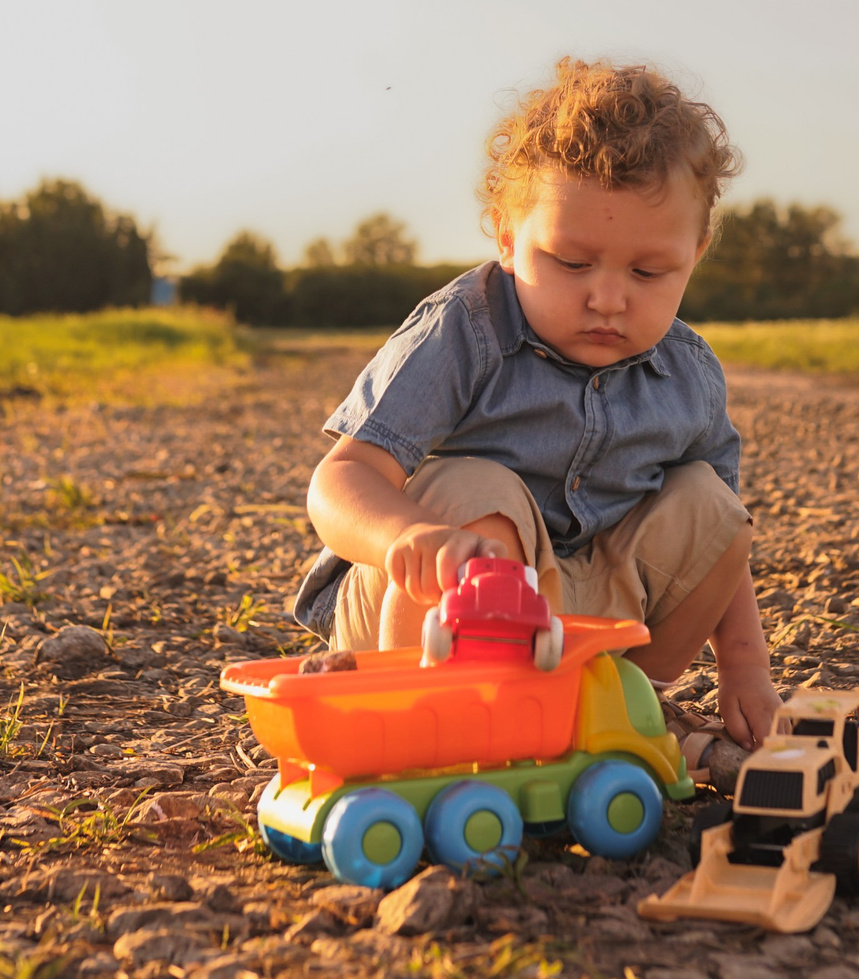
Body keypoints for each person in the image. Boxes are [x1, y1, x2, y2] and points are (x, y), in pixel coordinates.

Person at [291, 57, 778, 750]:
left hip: (575, 619)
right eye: (572, 263)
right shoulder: (466, 328)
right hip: (429, 606)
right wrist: (406, 537)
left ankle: (607, 701)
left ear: (695, 253)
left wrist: (745, 665)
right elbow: (339, 479)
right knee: (479, 488)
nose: (608, 297)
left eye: (648, 271)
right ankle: (432, 717)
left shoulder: (687, 371)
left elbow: (724, 551)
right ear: (508, 237)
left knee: (714, 503)